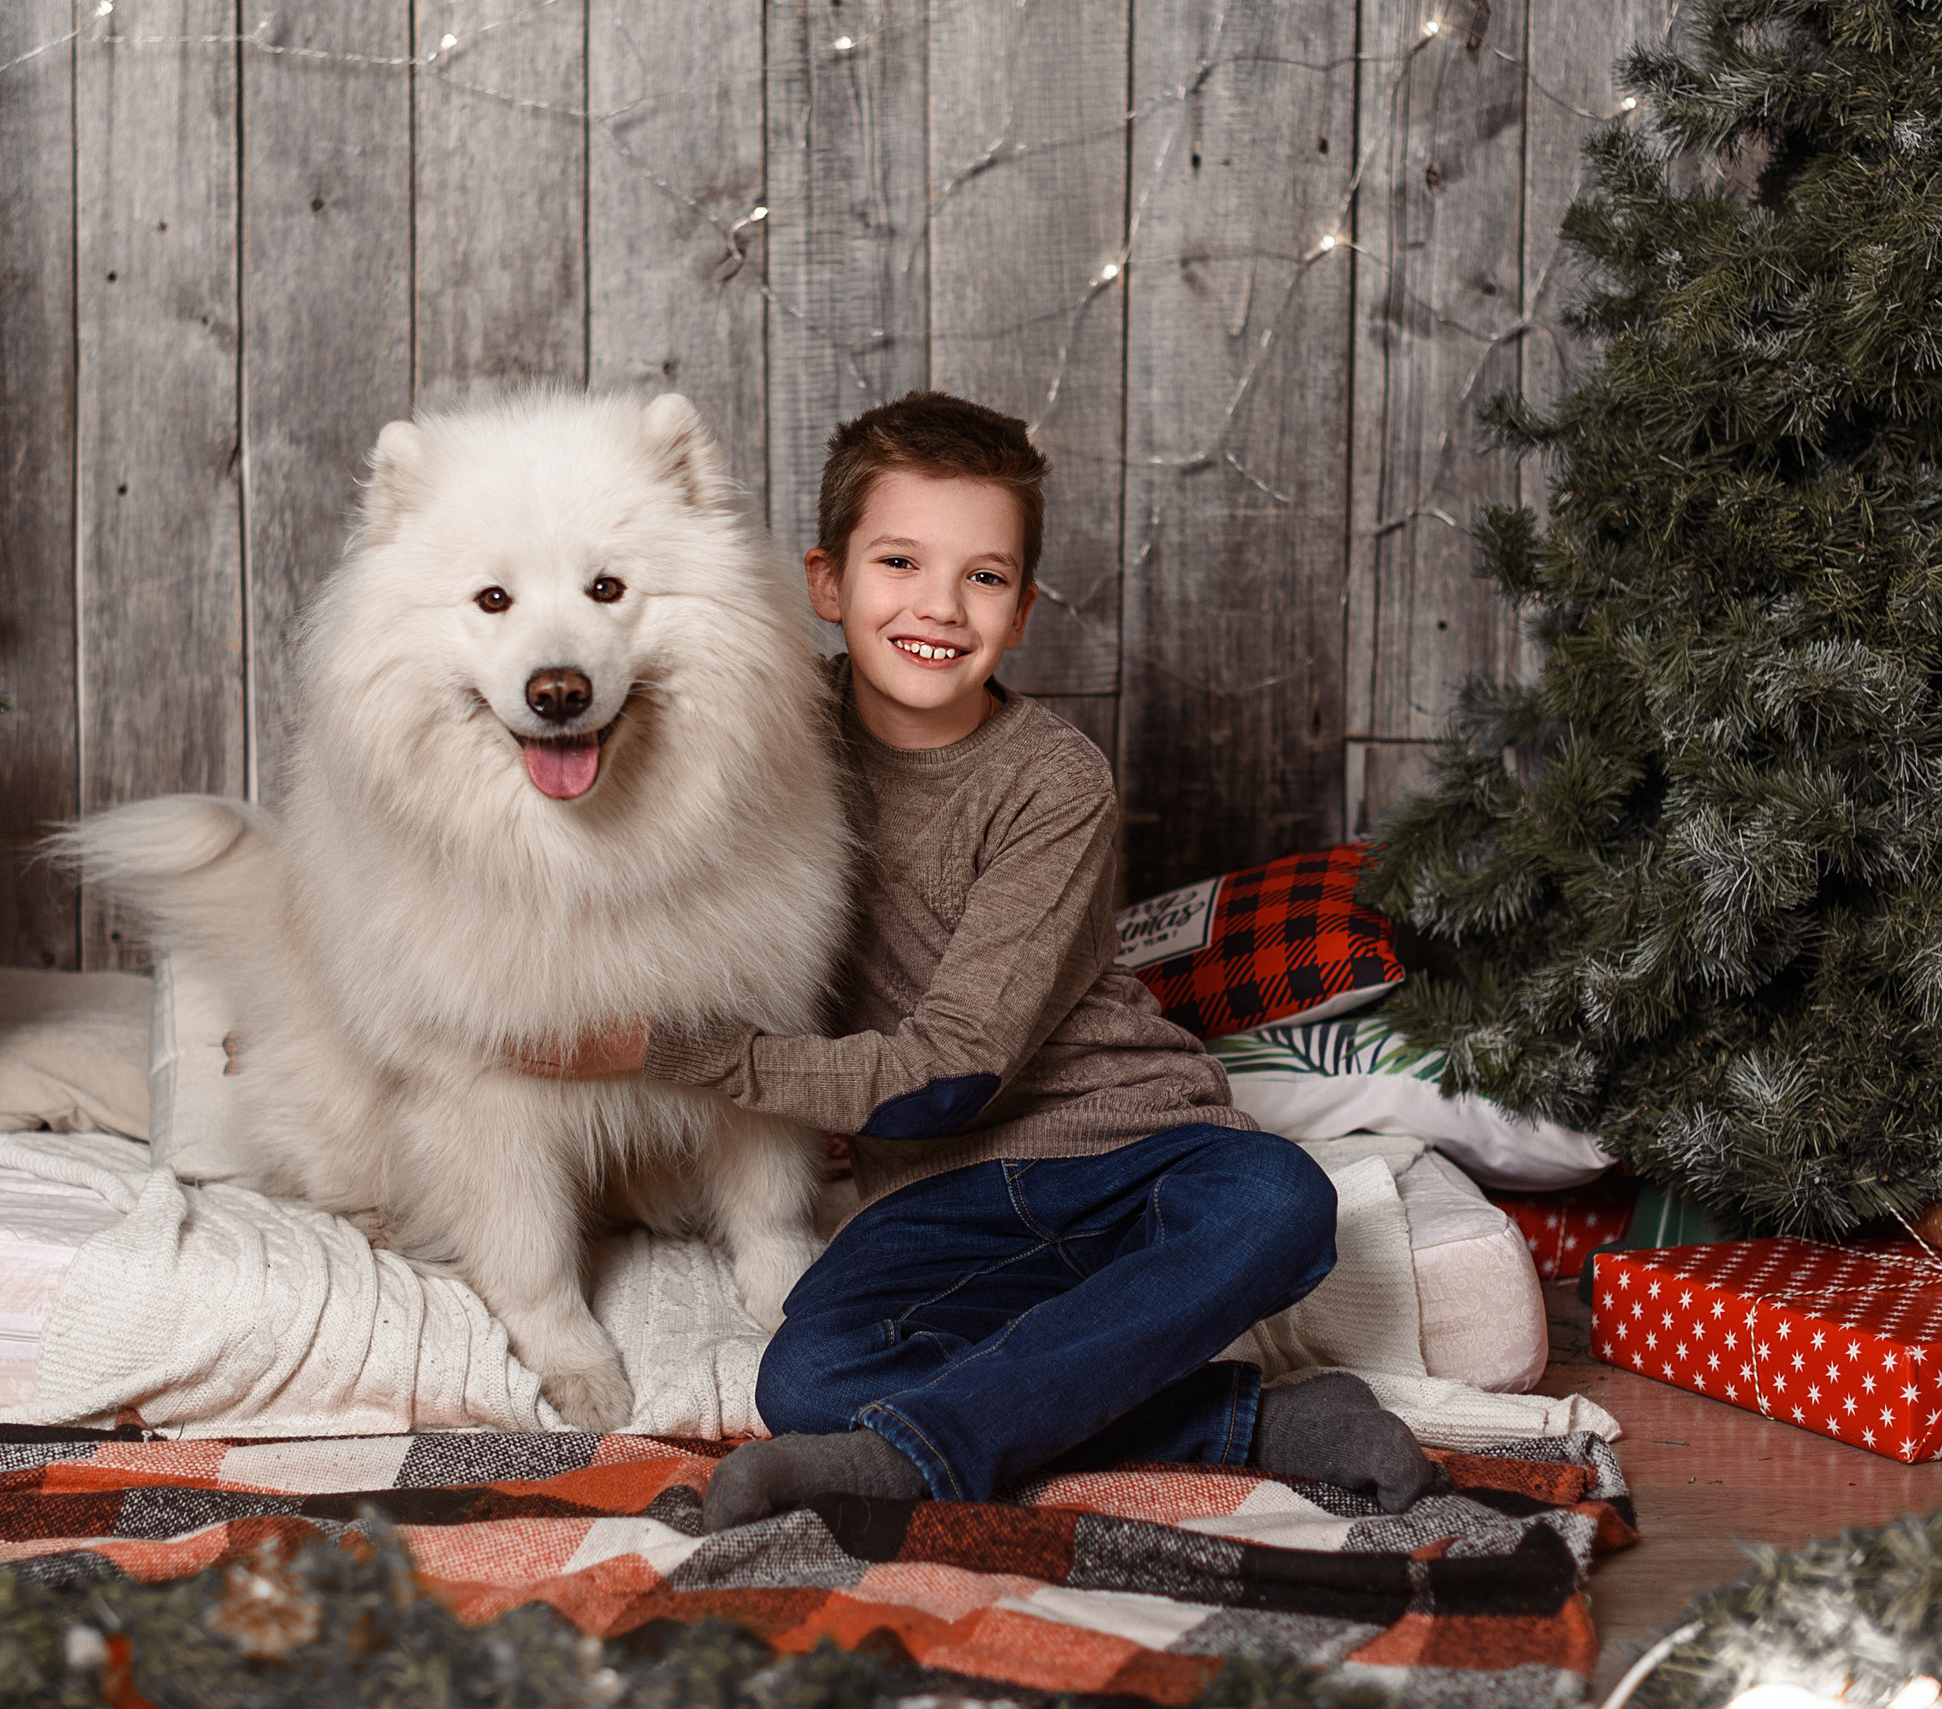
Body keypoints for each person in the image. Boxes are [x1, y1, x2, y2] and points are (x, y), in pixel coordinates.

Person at [523, 391, 1440, 1527]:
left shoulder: (1053, 780)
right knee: (803, 1376)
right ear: (825, 582)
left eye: (984, 576)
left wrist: (675, 1048)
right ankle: (1250, 1422)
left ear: (1022, 610)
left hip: (1128, 1154)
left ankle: (903, 1460)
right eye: (899, 560)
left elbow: (952, 1073)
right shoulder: (758, 731)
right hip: (946, 1202)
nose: (938, 607)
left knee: (1278, 1198)